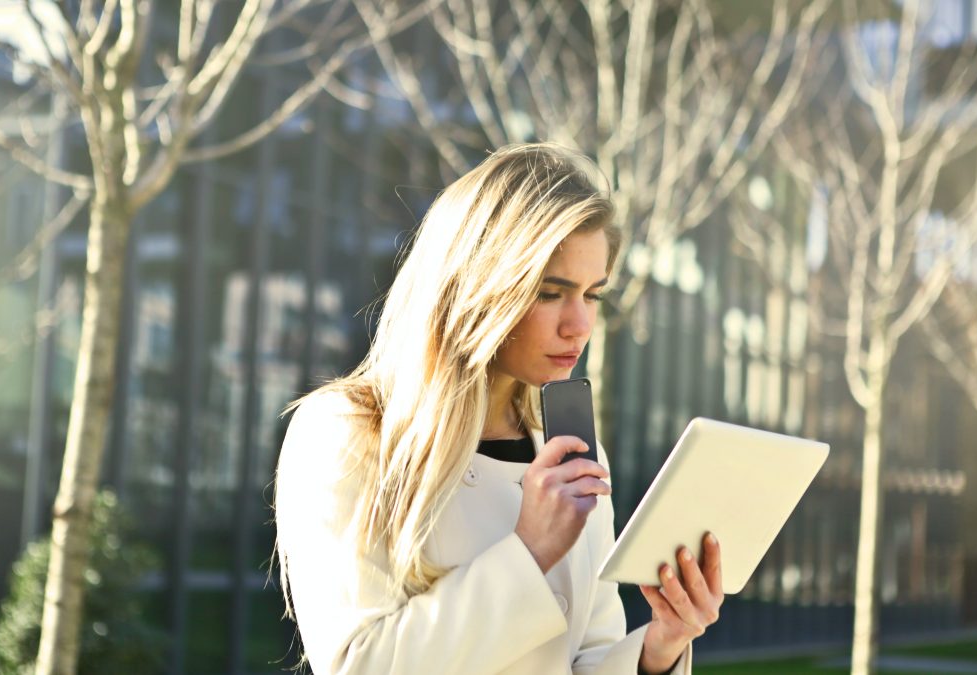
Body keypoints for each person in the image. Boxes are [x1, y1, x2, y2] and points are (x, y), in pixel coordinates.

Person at [273, 143, 723, 674]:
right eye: (551, 292)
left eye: (593, 295)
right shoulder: (348, 433)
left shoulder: (571, 448)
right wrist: (528, 552)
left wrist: (659, 650)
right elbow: (359, 664)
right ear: (481, 287)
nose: (579, 325)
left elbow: (585, 655)